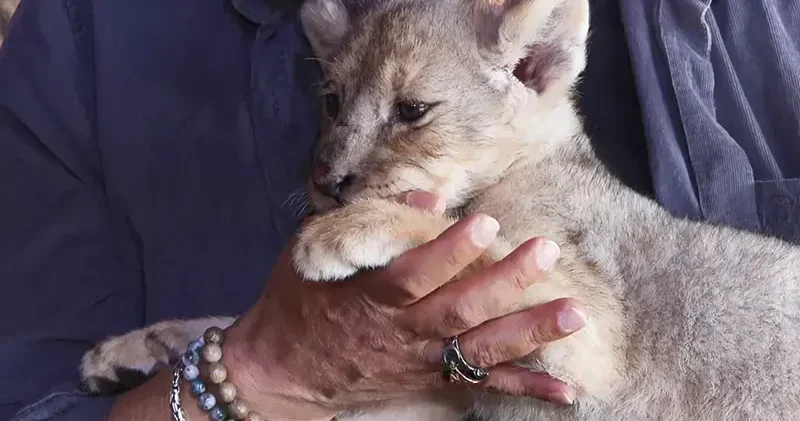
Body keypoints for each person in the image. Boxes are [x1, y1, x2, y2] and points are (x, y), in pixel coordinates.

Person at [2, 0, 799, 420]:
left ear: (537, 66)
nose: (338, 167)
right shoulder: (94, 35)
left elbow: (570, 349)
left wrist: (404, 229)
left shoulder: (748, 26)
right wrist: (243, 372)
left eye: (413, 112)